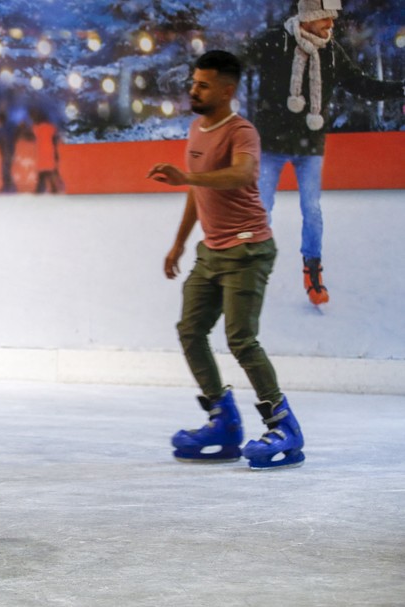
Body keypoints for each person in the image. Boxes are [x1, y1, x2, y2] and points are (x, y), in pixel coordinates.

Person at [147, 50, 305, 470]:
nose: (193, 90)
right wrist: (178, 244)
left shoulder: (242, 131)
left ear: (226, 90)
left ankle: (283, 425)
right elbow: (197, 192)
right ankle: (223, 420)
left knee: (241, 339)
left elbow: (242, 174)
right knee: (190, 330)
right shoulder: (196, 129)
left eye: (203, 85)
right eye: (193, 83)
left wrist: (187, 177)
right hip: (211, 252)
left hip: (248, 250)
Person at [247, 0, 405, 306]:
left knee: (312, 210)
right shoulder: (276, 41)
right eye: (324, 18)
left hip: (310, 145)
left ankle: (313, 269)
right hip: (272, 145)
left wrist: (402, 88)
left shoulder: (331, 52)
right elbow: (239, 60)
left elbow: (363, 85)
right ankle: (249, 269)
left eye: (333, 18)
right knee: (261, 208)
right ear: (307, 18)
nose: (331, 24)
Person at [30, 111, 62, 194]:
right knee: (49, 169)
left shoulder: (37, 128)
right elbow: (55, 137)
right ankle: (53, 188)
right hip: (50, 150)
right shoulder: (51, 127)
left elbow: (32, 135)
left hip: (41, 151)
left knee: (42, 170)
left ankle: (40, 189)